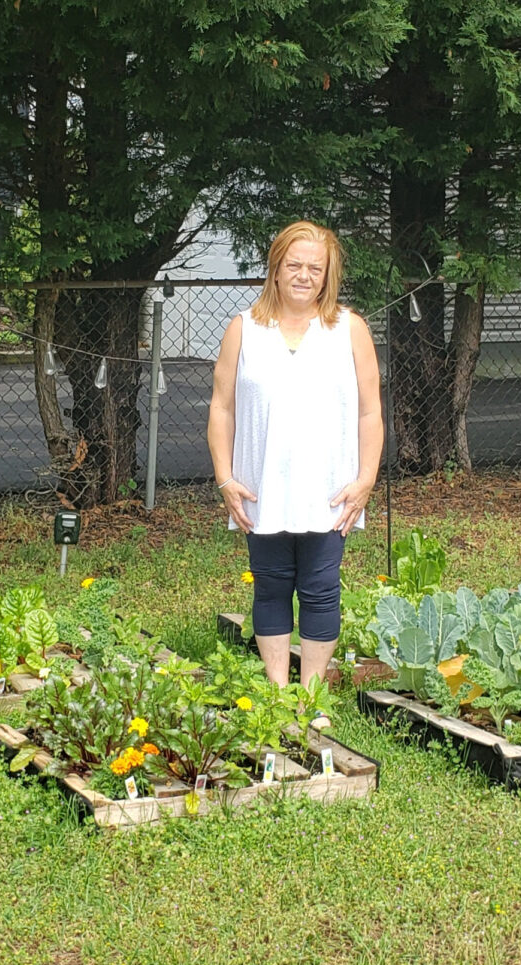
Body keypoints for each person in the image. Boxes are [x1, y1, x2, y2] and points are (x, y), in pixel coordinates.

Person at [207, 220, 383, 692]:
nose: (304, 275)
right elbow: (221, 408)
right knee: (270, 584)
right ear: (276, 269)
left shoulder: (350, 329)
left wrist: (366, 478)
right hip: (259, 488)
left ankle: (311, 698)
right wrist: (225, 478)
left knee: (322, 587)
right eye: (294, 265)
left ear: (328, 275)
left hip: (330, 491)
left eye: (315, 268)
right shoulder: (244, 329)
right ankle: (278, 695)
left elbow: (370, 412)